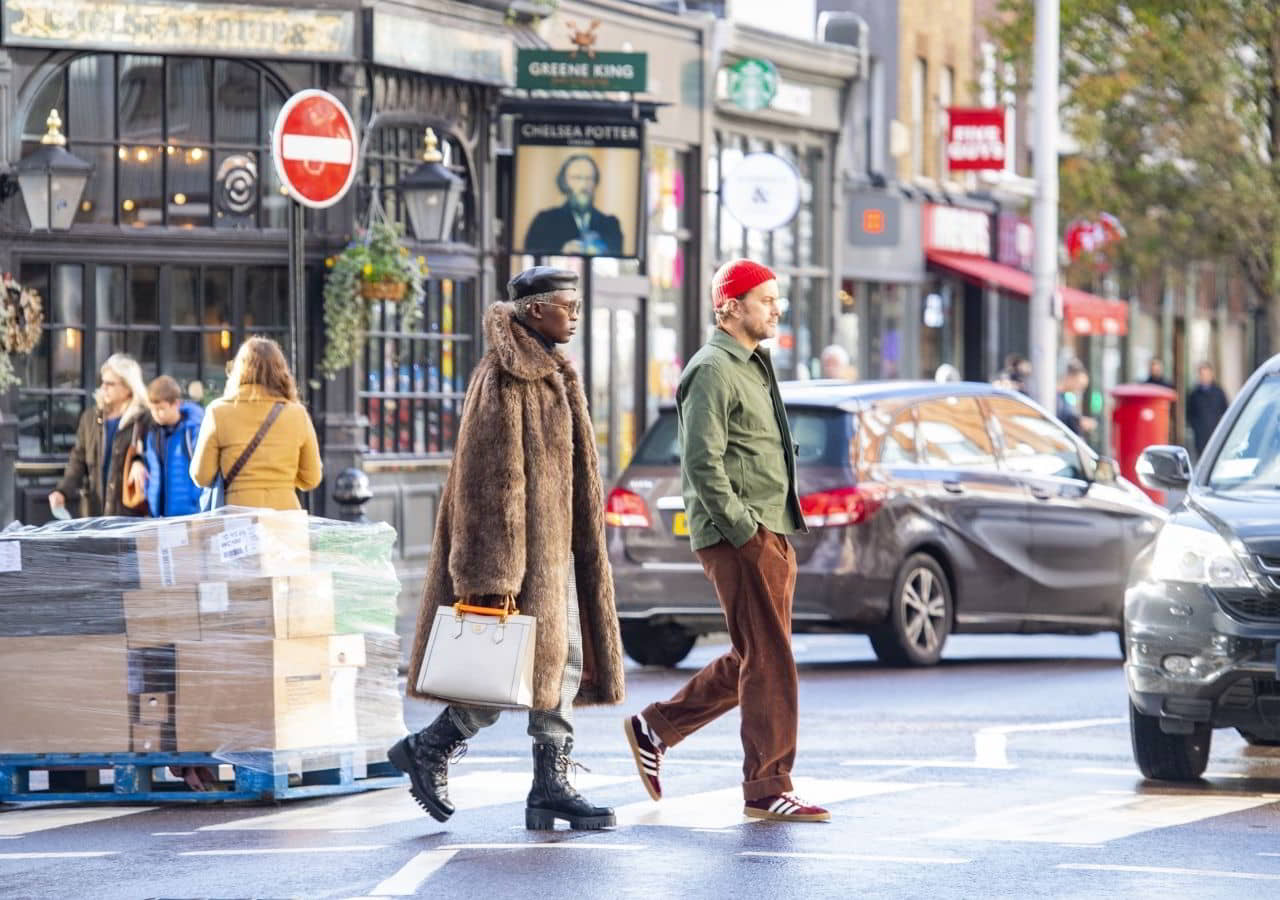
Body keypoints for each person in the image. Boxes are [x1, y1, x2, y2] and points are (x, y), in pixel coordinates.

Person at [393, 267, 625, 831]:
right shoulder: (505, 376)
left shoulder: (548, 370)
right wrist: (490, 578)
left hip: (557, 551)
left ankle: (550, 784)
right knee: (505, 668)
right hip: (519, 563)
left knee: (559, 664)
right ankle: (431, 746)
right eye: (566, 305)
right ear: (534, 310)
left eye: (576, 305)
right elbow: (486, 485)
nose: (574, 314)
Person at [622, 258, 829, 823]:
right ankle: (767, 787)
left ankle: (655, 728)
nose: (776, 309)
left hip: (772, 526)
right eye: (766, 300)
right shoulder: (712, 367)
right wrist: (744, 530)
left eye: (776, 299)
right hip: (744, 533)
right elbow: (701, 463)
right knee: (770, 659)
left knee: (755, 654)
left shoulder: (754, 364)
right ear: (730, 306)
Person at [190, 336, 322, 511]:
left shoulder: (218, 411)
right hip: (286, 521)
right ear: (281, 371)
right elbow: (311, 479)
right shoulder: (297, 414)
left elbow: (201, 476)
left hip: (238, 522)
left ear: (239, 370)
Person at [49, 353, 151, 518]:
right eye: (102, 382)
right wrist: (62, 491)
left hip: (129, 514)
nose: (103, 388)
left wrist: (140, 462)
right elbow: (78, 459)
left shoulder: (144, 419)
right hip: (93, 511)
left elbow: (152, 455)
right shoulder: (90, 418)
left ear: (128, 387)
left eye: (110, 384)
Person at [523, 154, 624, 256]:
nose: (583, 186)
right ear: (564, 182)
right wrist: (561, 251)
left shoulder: (610, 224)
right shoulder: (544, 221)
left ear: (595, 183)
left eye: (589, 178)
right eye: (577, 178)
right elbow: (531, 255)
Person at [141, 375, 205, 518]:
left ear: (176, 404)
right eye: (153, 409)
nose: (156, 414)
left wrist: (196, 503)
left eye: (161, 408)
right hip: (158, 514)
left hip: (188, 514)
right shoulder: (152, 432)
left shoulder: (193, 431)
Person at [1187, 362, 1229, 457]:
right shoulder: (1194, 394)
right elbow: (1189, 414)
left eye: (1207, 374)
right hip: (1200, 436)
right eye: (1202, 375)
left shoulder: (1219, 392)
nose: (1205, 377)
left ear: (1211, 375)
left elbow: (1225, 411)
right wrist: (1196, 427)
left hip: (1216, 433)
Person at [1056, 358, 1096, 437]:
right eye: (1079, 384)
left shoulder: (1067, 397)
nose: (1080, 390)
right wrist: (1079, 422)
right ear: (1070, 377)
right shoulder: (1056, 398)